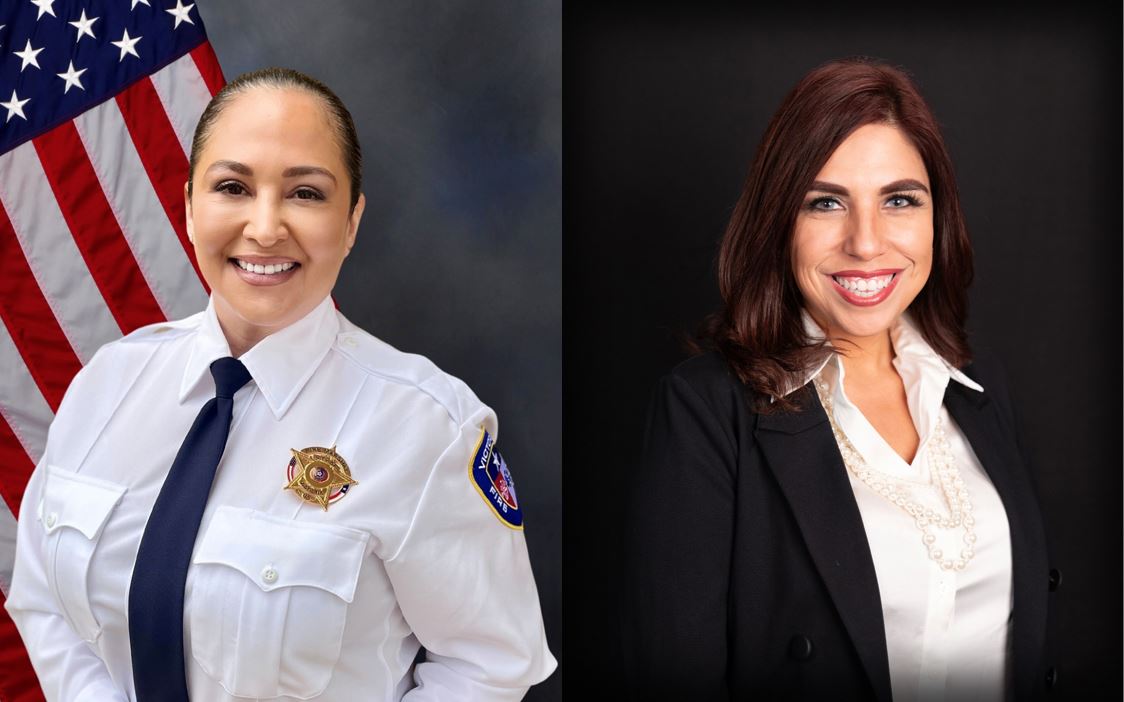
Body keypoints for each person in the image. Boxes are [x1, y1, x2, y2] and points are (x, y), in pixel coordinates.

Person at [6, 67, 556, 701]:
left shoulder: (428, 428)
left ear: (351, 221)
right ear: (188, 206)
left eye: (306, 194)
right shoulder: (108, 383)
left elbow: (490, 664)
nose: (265, 229)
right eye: (233, 186)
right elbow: (43, 597)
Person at [622, 58, 1054, 701]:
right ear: (778, 222)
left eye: (899, 200)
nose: (866, 243)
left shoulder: (979, 388)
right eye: (826, 203)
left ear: (939, 216)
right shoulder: (705, 411)